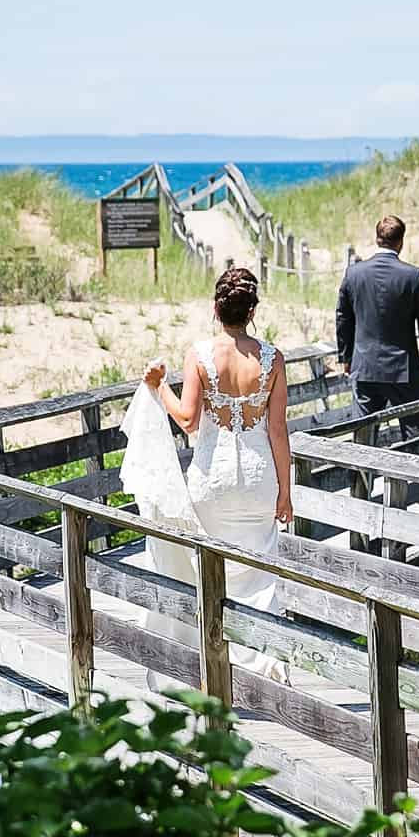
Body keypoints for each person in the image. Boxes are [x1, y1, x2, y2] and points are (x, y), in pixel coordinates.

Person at [124, 266, 292, 684]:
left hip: (212, 481)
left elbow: (186, 419)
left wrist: (158, 385)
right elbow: (277, 429)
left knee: (208, 568)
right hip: (258, 480)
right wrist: (285, 492)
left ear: (217, 308)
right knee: (259, 569)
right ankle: (264, 668)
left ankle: (214, 662)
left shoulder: (200, 355)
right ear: (251, 310)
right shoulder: (272, 359)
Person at [336, 214, 419, 434]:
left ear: (377, 239)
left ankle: (363, 470)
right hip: (404, 369)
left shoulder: (354, 274)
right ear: (401, 241)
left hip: (365, 367)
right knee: (414, 437)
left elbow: (343, 317)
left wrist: (346, 357)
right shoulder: (413, 276)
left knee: (363, 437)